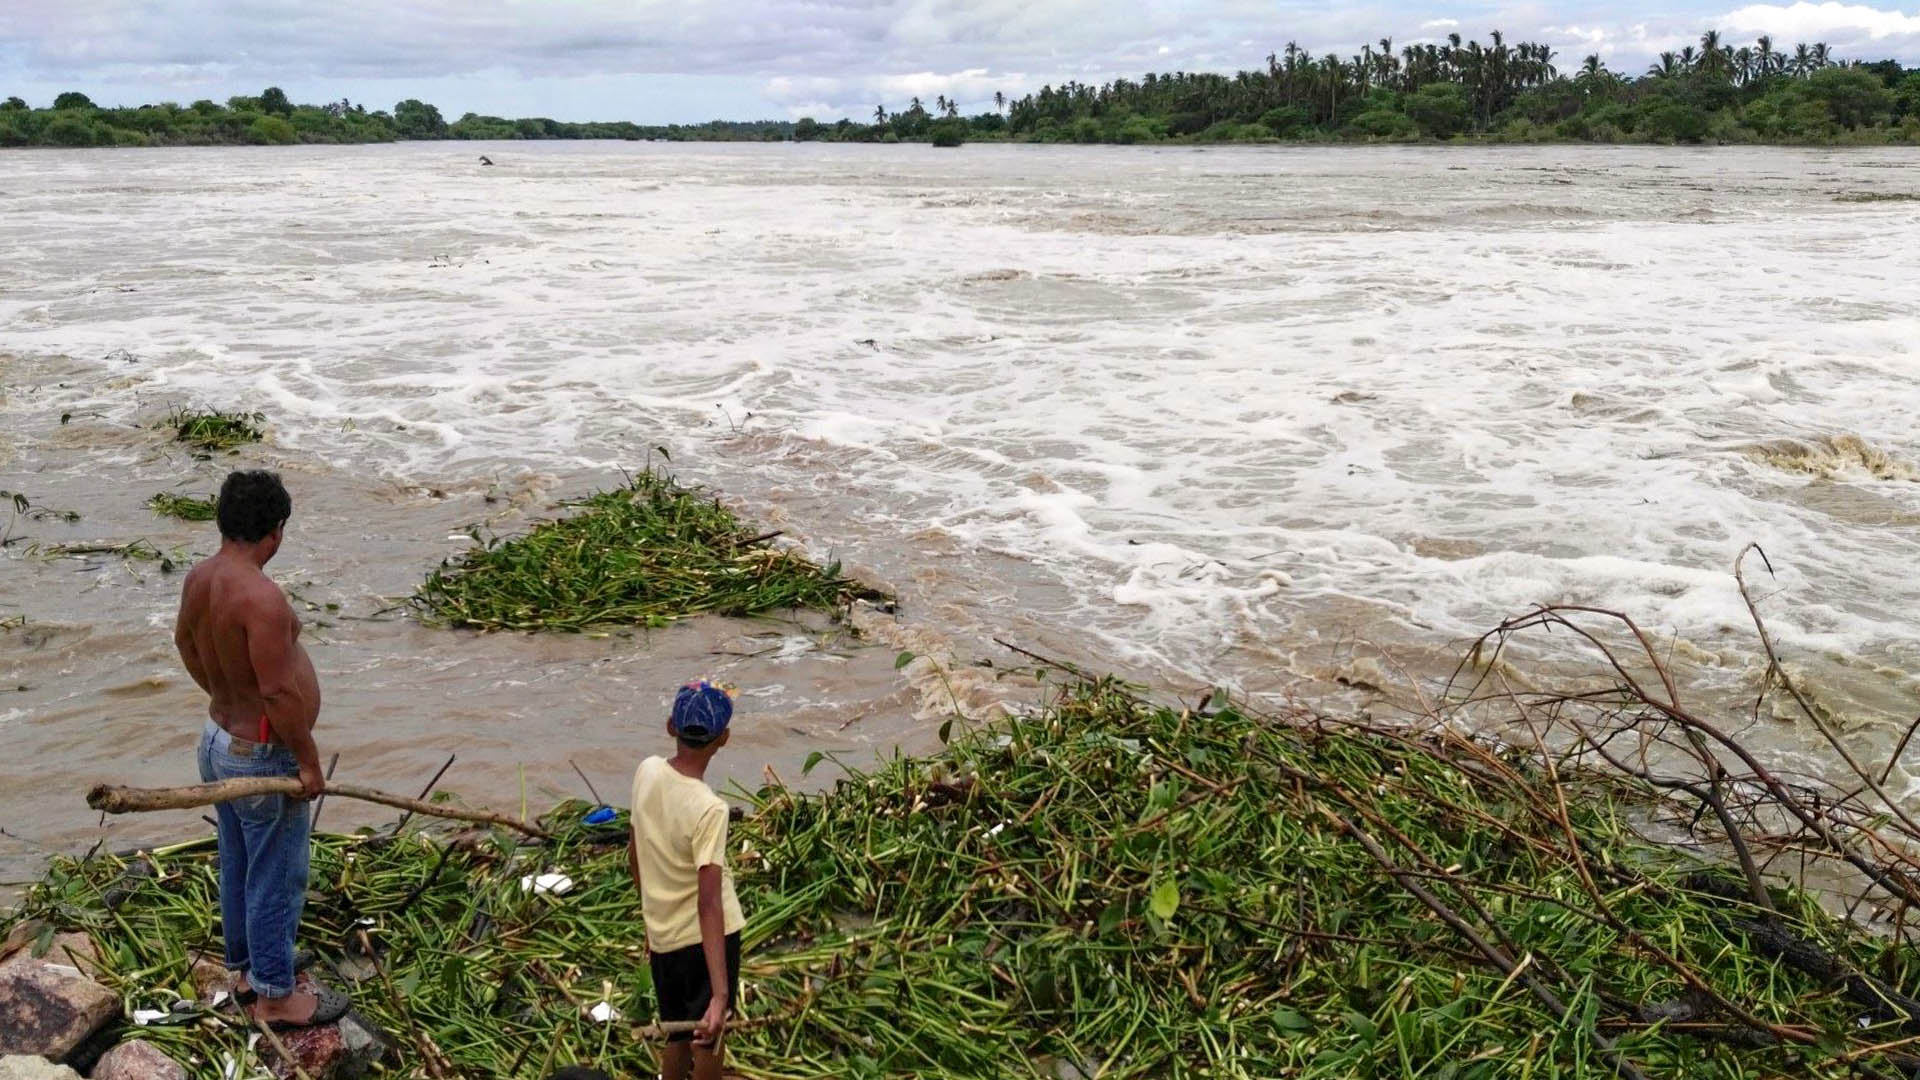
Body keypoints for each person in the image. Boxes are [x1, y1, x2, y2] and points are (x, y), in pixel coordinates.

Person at [174, 470, 348, 1030]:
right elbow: (277, 691)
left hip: (218, 740)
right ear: (276, 532)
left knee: (239, 859)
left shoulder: (201, 577)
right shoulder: (262, 597)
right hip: (260, 756)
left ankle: (249, 968)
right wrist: (308, 759)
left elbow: (184, 641)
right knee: (277, 872)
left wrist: (225, 697)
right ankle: (276, 996)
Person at [628, 680, 746, 1080]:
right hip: (705, 943)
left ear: (670, 727)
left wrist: (650, 920)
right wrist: (720, 994)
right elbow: (709, 902)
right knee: (708, 1039)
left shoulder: (647, 771)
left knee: (675, 1033)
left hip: (664, 938)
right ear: (724, 739)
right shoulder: (709, 808)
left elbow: (635, 850)